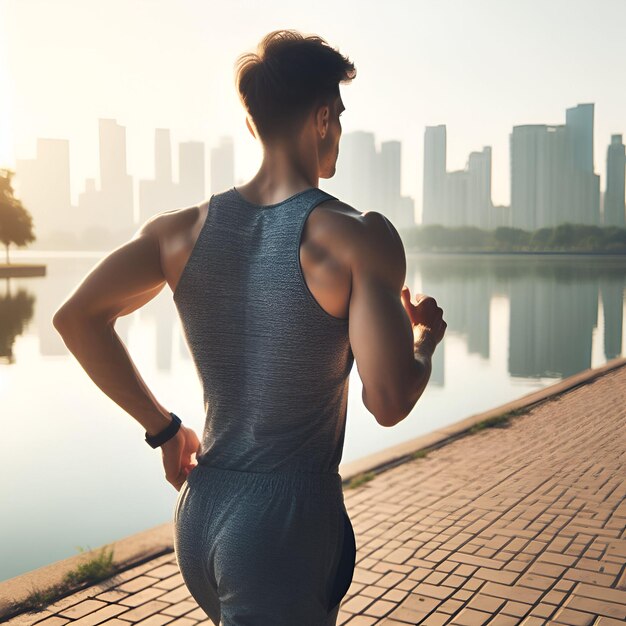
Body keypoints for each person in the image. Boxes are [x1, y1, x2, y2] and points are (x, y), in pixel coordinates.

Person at [53, 28, 446, 626]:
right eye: (338, 115)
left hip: (201, 511)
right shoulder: (358, 235)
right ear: (321, 118)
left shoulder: (177, 232)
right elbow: (388, 400)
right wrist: (424, 341)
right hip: (282, 530)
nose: (339, 131)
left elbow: (76, 319)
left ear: (251, 123)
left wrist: (163, 429)